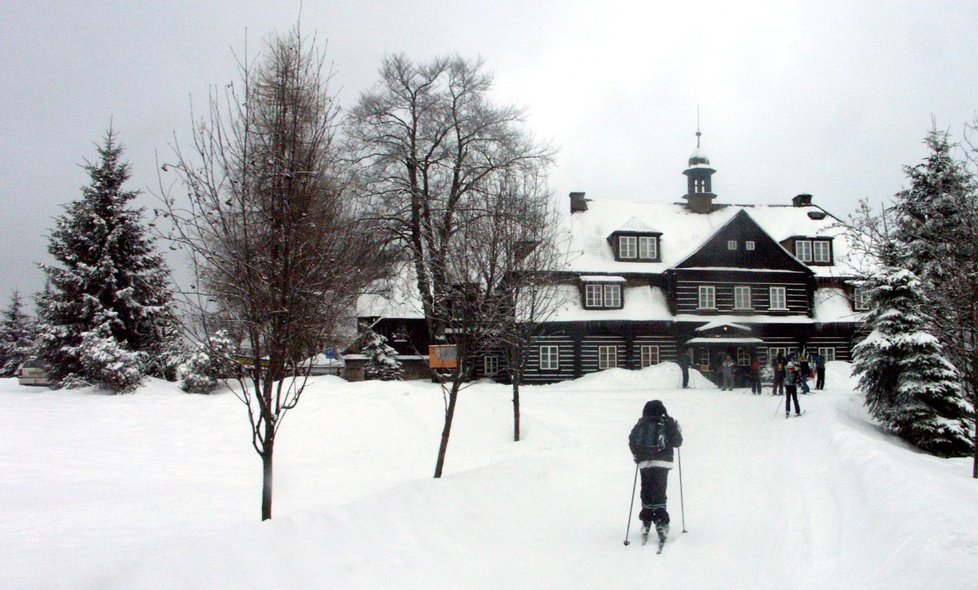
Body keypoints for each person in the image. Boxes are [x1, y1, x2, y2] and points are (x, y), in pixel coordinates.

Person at [628, 400, 683, 542]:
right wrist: (675, 427)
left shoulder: (641, 422)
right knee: (659, 490)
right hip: (662, 462)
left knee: (646, 489)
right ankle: (660, 520)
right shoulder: (667, 421)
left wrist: (637, 455)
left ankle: (646, 520)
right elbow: (677, 442)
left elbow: (632, 439)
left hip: (644, 461)